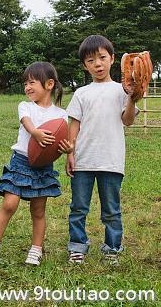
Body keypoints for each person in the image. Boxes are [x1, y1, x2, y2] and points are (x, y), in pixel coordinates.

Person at [0, 62, 73, 266]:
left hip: (43, 167)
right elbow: (26, 122)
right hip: (21, 162)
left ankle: (36, 249)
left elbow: (61, 142)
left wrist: (67, 149)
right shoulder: (25, 106)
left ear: (49, 84)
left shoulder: (61, 116)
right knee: (9, 203)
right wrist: (35, 132)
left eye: (31, 82)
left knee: (38, 210)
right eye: (25, 83)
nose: (27, 87)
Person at [66, 35, 137, 265]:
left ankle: (112, 248)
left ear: (113, 59)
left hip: (111, 160)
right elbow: (73, 126)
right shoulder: (81, 93)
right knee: (78, 208)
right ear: (84, 66)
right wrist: (70, 153)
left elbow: (127, 121)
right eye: (90, 60)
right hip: (84, 160)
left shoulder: (121, 90)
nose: (97, 64)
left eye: (102, 58)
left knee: (111, 210)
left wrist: (132, 98)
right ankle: (77, 247)